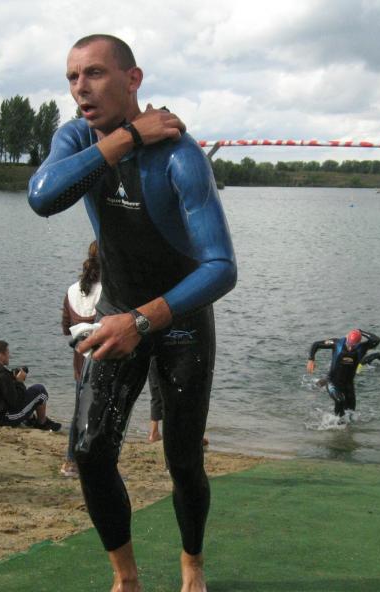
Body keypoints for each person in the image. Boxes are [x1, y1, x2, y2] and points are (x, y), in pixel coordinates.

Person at [27, 34, 236, 592]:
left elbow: (221, 267)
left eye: (94, 73)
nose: (80, 88)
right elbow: (42, 196)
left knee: (183, 460)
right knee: (90, 452)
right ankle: (126, 578)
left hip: (180, 319)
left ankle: (192, 563)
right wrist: (127, 138)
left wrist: (142, 321)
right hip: (116, 310)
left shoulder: (181, 156)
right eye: (72, 77)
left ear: (133, 78)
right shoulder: (76, 136)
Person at [61, 240, 102, 477]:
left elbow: (66, 328)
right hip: (103, 359)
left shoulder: (71, 291)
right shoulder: (108, 291)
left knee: (80, 411)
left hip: (80, 360)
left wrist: (81, 328)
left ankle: (70, 461)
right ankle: (95, 466)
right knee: (100, 415)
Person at [0, 340, 61, 431]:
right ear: (1, 355)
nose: (9, 356)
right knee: (40, 391)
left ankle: (30, 419)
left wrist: (12, 379)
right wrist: (19, 382)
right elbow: (16, 403)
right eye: (7, 353)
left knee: (26, 394)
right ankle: (42, 423)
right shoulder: (2, 375)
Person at [306, 328, 380, 418]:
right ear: (347, 338)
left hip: (348, 385)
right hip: (332, 382)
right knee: (339, 401)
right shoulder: (337, 343)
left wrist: (360, 331)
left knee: (351, 412)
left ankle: (344, 425)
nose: (350, 347)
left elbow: (376, 340)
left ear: (358, 343)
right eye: (349, 344)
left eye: (353, 346)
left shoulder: (362, 347)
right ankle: (336, 422)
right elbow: (316, 344)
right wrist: (311, 359)